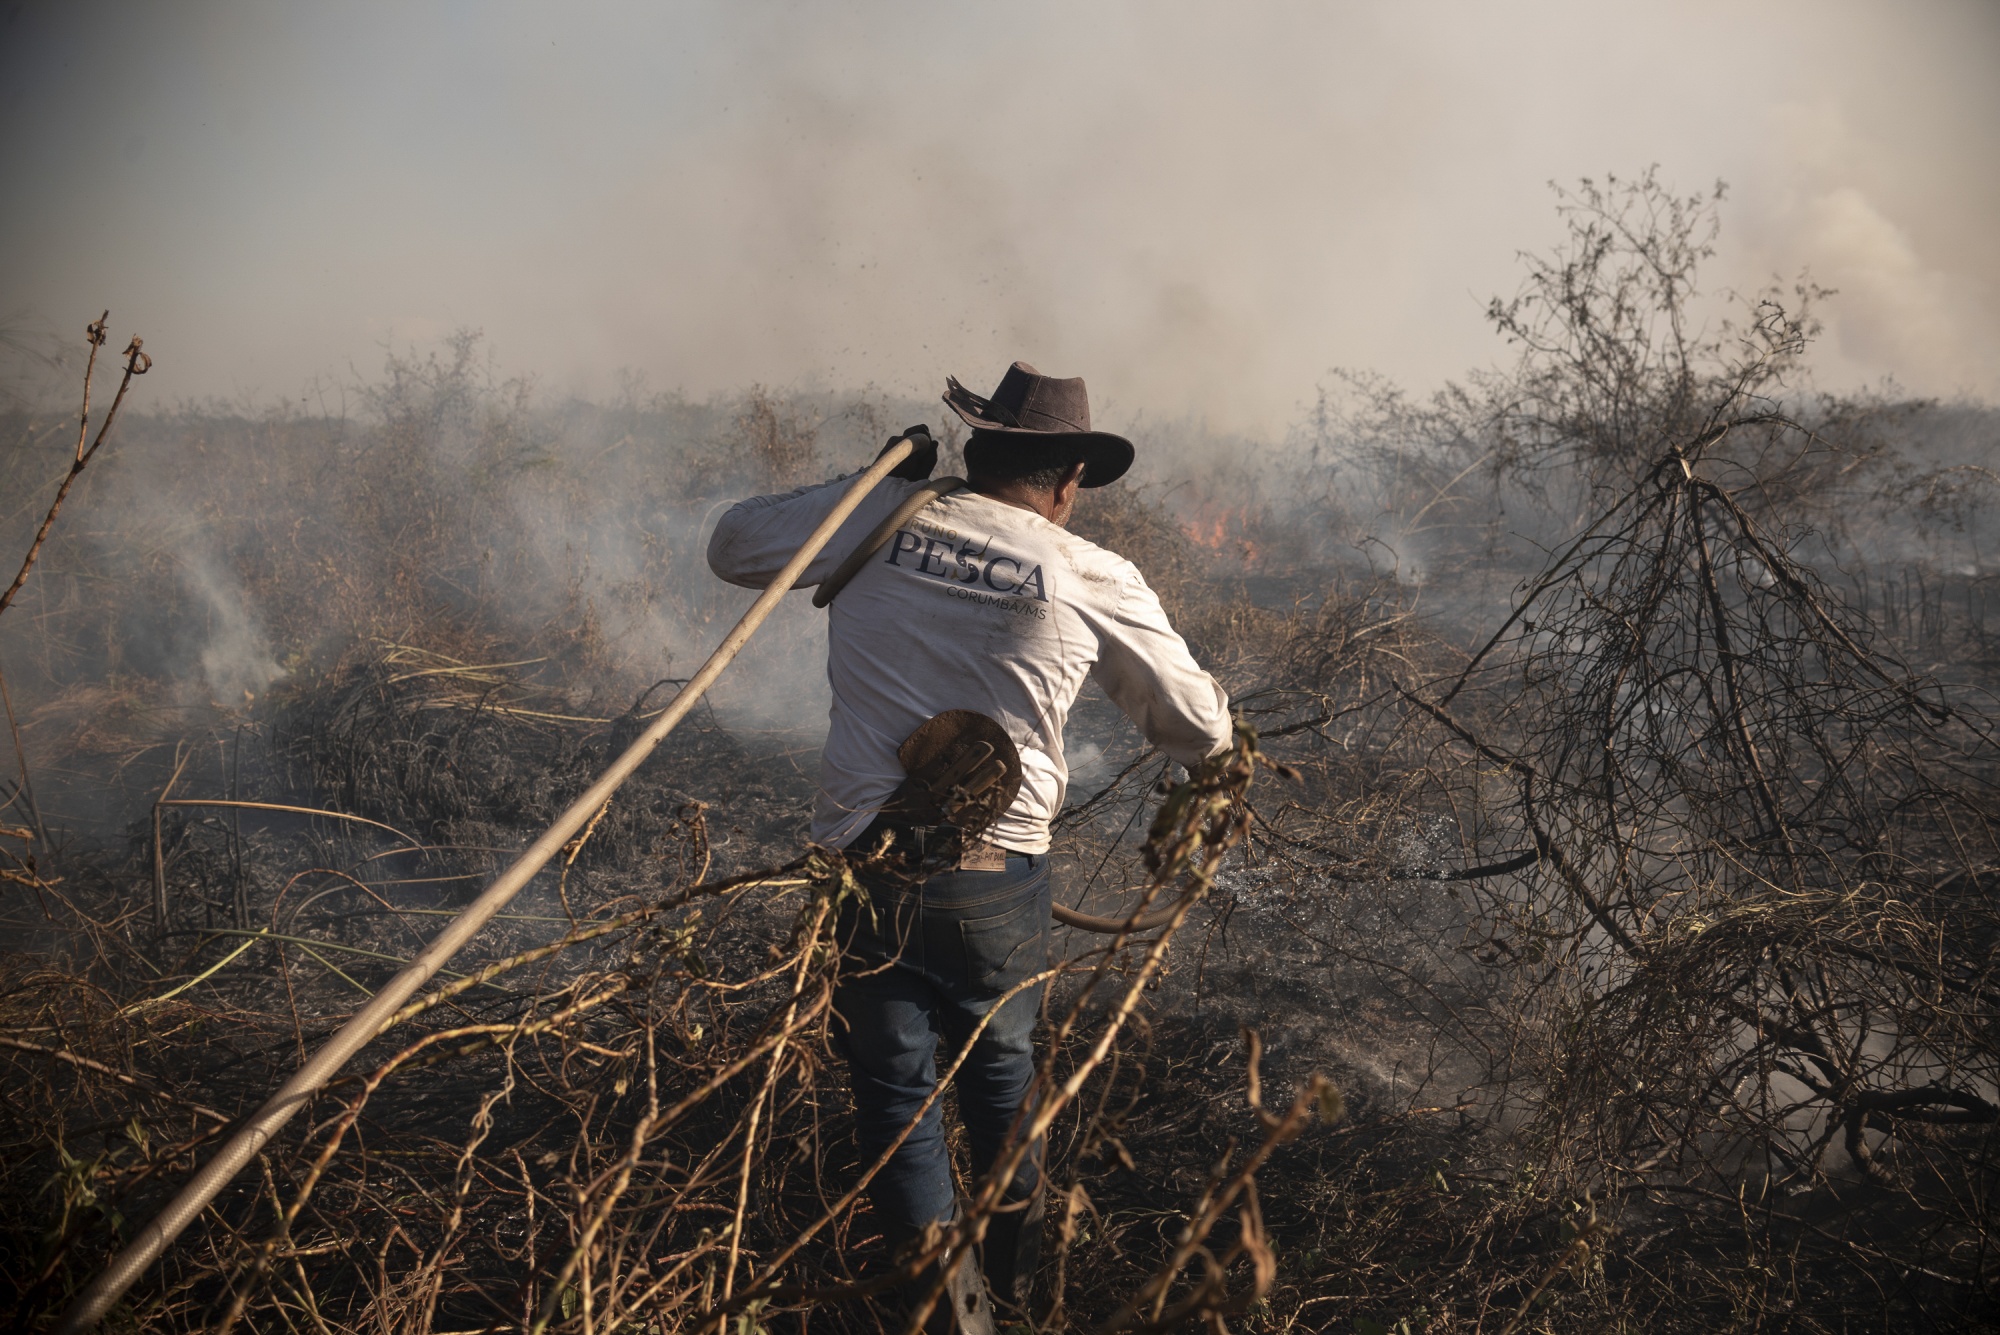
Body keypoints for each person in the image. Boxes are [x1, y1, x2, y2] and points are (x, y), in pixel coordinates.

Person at [705, 362, 1232, 1329]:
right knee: (1001, 1077)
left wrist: (870, 479)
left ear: (972, 447)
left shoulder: (883, 517)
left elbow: (733, 544)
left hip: (866, 870)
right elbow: (1199, 727)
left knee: (897, 1095)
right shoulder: (1089, 574)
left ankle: (948, 1315)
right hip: (997, 887)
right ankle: (1014, 1290)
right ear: (1069, 479)